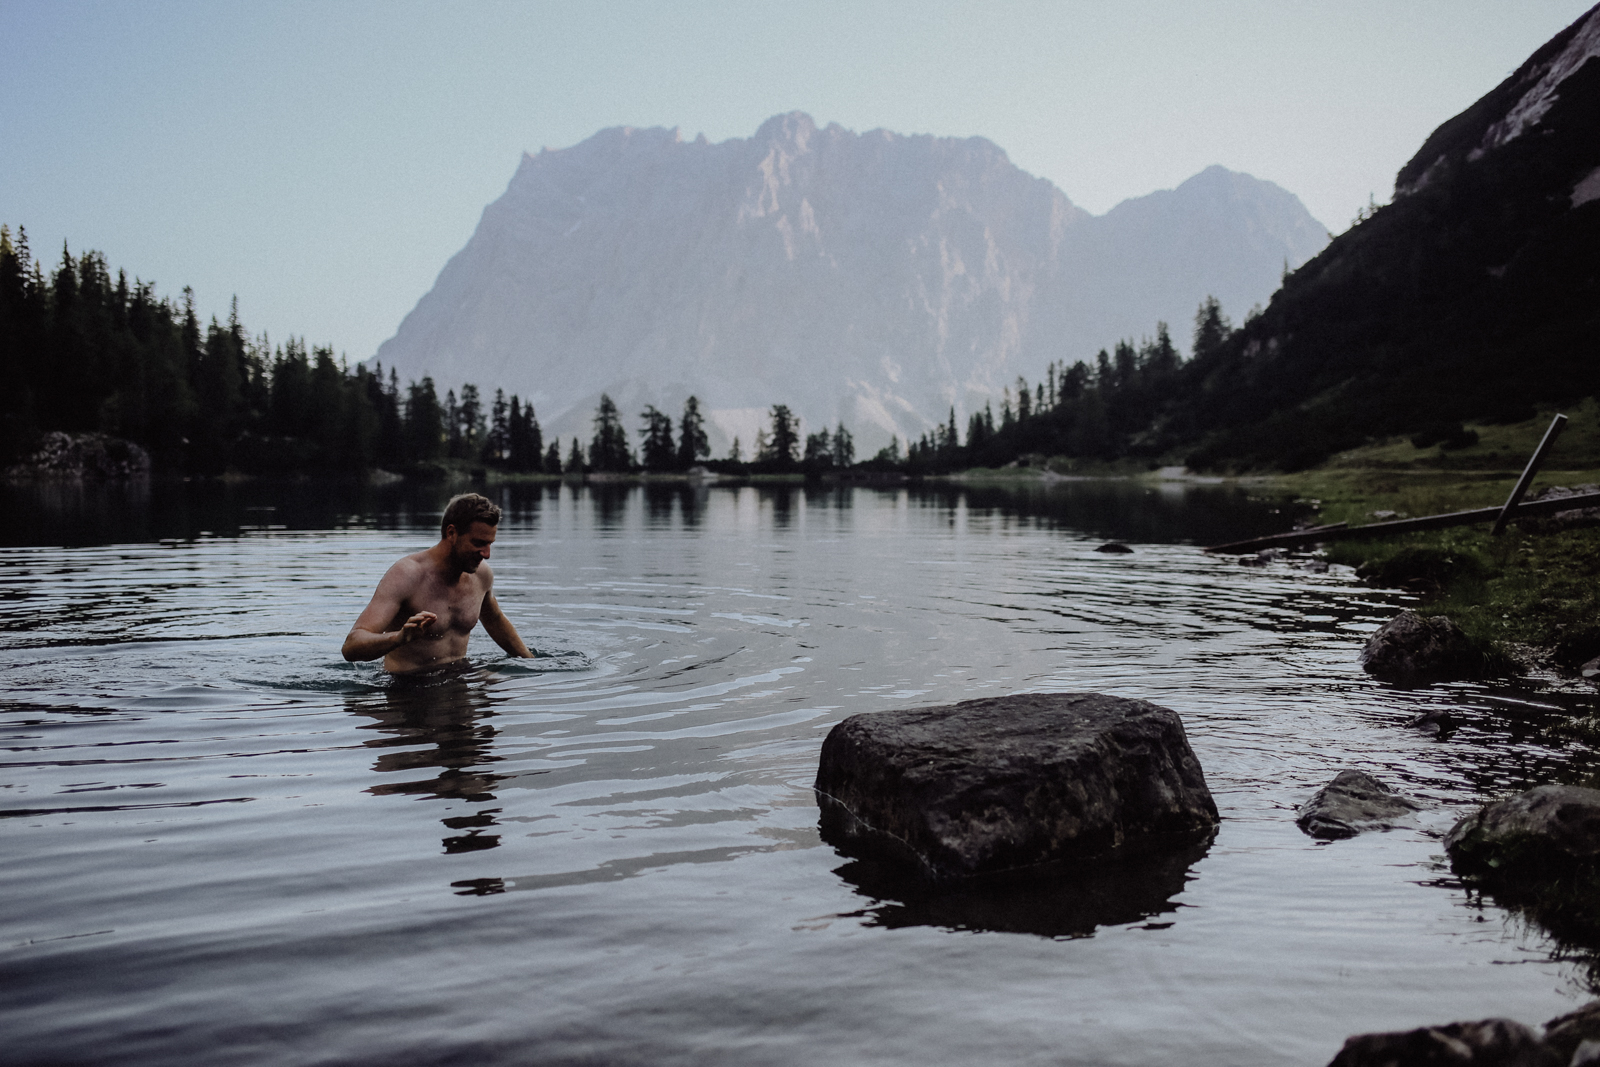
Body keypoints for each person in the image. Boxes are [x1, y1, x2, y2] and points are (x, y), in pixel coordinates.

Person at [342, 493, 535, 673]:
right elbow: (351, 646)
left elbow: (494, 619)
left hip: (457, 676)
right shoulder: (407, 575)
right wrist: (398, 638)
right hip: (407, 687)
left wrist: (531, 663)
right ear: (451, 533)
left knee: (506, 690)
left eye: (489, 544)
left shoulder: (481, 574)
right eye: (478, 543)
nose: (487, 554)